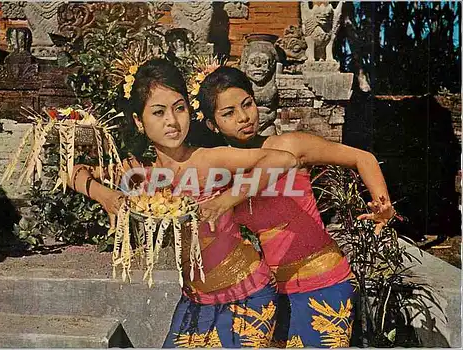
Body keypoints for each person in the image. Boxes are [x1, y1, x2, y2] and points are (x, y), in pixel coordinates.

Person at [68, 59, 298, 348]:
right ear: (139, 122)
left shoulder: (208, 159)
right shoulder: (140, 171)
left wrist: (226, 200)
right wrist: (106, 196)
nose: (172, 121)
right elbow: (73, 173)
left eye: (179, 108)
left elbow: (283, 160)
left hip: (248, 294)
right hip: (196, 300)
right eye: (158, 112)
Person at [195, 66, 397, 348]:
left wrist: (383, 206)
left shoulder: (288, 146)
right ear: (212, 125)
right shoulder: (221, 174)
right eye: (228, 113)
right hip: (274, 294)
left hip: (326, 284)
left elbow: (363, 158)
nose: (243, 117)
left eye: (247, 104)